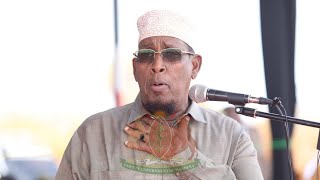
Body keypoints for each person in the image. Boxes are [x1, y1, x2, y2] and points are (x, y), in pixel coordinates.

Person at [56, 10, 263, 179]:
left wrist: (188, 161)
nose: (157, 66)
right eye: (146, 56)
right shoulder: (93, 133)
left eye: (171, 54)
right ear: (136, 68)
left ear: (195, 66)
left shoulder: (231, 135)